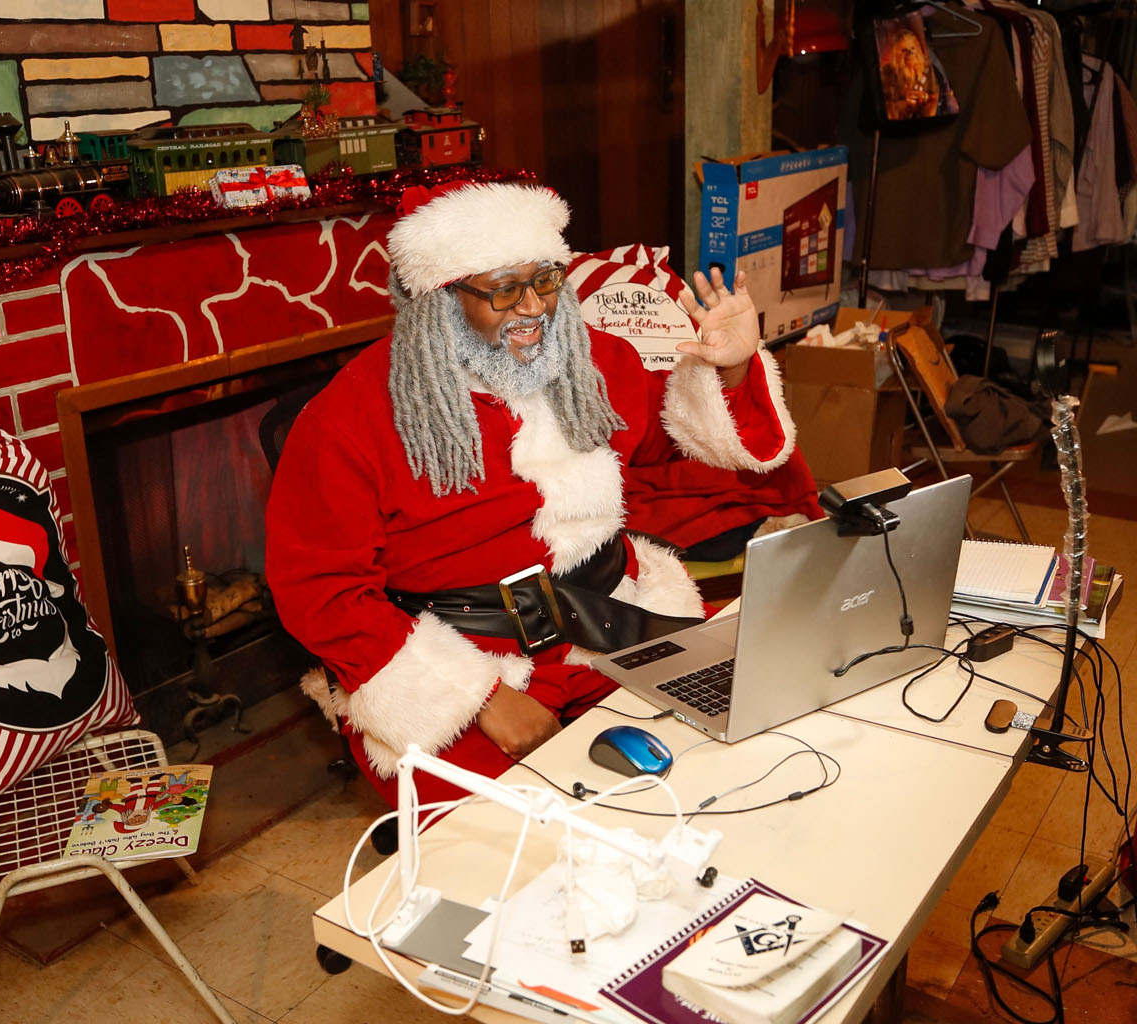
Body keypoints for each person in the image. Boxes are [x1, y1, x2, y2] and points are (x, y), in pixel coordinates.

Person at [265, 182, 799, 805]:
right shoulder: (349, 418)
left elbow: (681, 448)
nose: (535, 307)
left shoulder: (597, 359)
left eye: (545, 280)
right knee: (522, 850)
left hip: (619, 615)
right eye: (502, 289)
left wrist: (729, 369)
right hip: (466, 663)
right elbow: (322, 594)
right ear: (436, 299)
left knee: (752, 760)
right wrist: (479, 700)